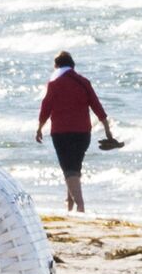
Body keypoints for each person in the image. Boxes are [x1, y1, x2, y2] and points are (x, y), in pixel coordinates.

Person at [32, 50, 114, 211]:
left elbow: (45, 108)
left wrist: (39, 128)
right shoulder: (84, 82)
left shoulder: (54, 84)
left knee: (69, 169)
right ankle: (69, 205)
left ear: (56, 66)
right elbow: (97, 107)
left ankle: (80, 206)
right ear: (72, 66)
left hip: (61, 133)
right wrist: (107, 131)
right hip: (83, 133)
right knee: (74, 168)